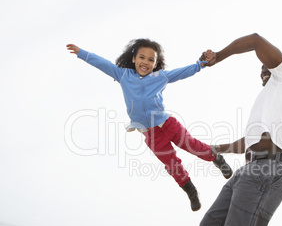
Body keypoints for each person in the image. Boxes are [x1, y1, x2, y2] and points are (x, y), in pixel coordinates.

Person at [66, 39, 232, 212]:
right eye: (142, 57)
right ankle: (191, 191)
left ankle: (217, 158)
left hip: (168, 124)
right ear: (133, 59)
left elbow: (183, 72)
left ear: (156, 63)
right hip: (150, 134)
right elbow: (103, 64)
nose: (145, 62)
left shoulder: (160, 77)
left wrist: (200, 64)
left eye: (151, 60)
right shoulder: (122, 75)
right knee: (171, 164)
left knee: (192, 146)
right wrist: (81, 53)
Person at [199, 33, 282, 226]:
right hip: (248, 171)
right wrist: (218, 148)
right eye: (261, 71)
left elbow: (255, 39)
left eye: (267, 66)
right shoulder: (266, 99)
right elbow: (251, 141)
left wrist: (217, 57)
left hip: (269, 171)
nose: (264, 71)